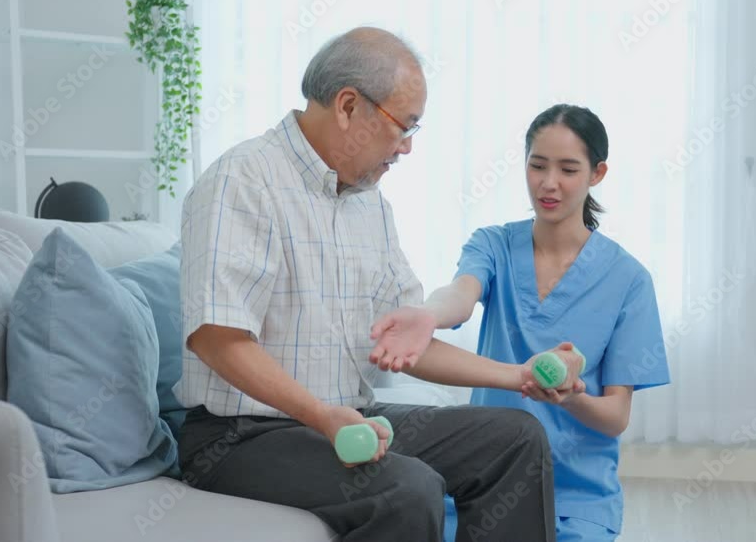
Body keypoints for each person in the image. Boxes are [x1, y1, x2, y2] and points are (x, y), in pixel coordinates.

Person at [174, 27, 579, 542]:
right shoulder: (242, 180)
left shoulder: (370, 205)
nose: (407, 147)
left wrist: (518, 375)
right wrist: (323, 417)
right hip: (239, 438)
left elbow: (406, 342)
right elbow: (217, 338)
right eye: (403, 126)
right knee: (408, 490)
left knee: (514, 437)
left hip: (348, 421)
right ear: (348, 106)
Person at [370, 104, 672, 541]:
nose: (549, 183)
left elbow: (614, 418)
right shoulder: (494, 245)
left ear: (597, 173)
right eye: (538, 165)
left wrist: (570, 397)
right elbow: (461, 295)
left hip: (576, 499)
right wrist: (428, 315)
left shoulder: (629, 280)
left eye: (568, 169)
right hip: (486, 477)